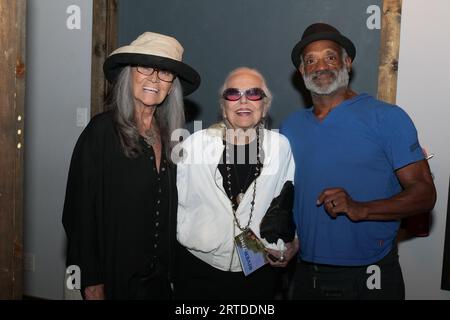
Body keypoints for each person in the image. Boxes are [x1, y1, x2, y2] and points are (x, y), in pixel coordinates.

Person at [281, 23, 436, 300]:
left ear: (347, 62)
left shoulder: (387, 118)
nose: (321, 66)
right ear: (302, 71)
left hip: (368, 277)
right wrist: (291, 240)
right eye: (310, 61)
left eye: (330, 57)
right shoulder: (291, 127)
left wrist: (360, 208)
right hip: (305, 273)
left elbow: (424, 195)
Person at [62, 32, 200, 299]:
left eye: (165, 73)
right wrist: (91, 281)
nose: (154, 79)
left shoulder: (173, 139)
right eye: (145, 67)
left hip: (159, 283)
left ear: (172, 87)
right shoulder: (101, 131)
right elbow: (78, 214)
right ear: (128, 75)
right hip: (114, 280)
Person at [174, 67, 297, 299]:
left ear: (265, 105)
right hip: (199, 268)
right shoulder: (194, 146)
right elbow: (176, 202)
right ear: (223, 105)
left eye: (253, 94)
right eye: (233, 94)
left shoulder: (280, 147)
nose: (243, 101)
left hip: (257, 268)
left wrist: (289, 242)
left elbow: (286, 201)